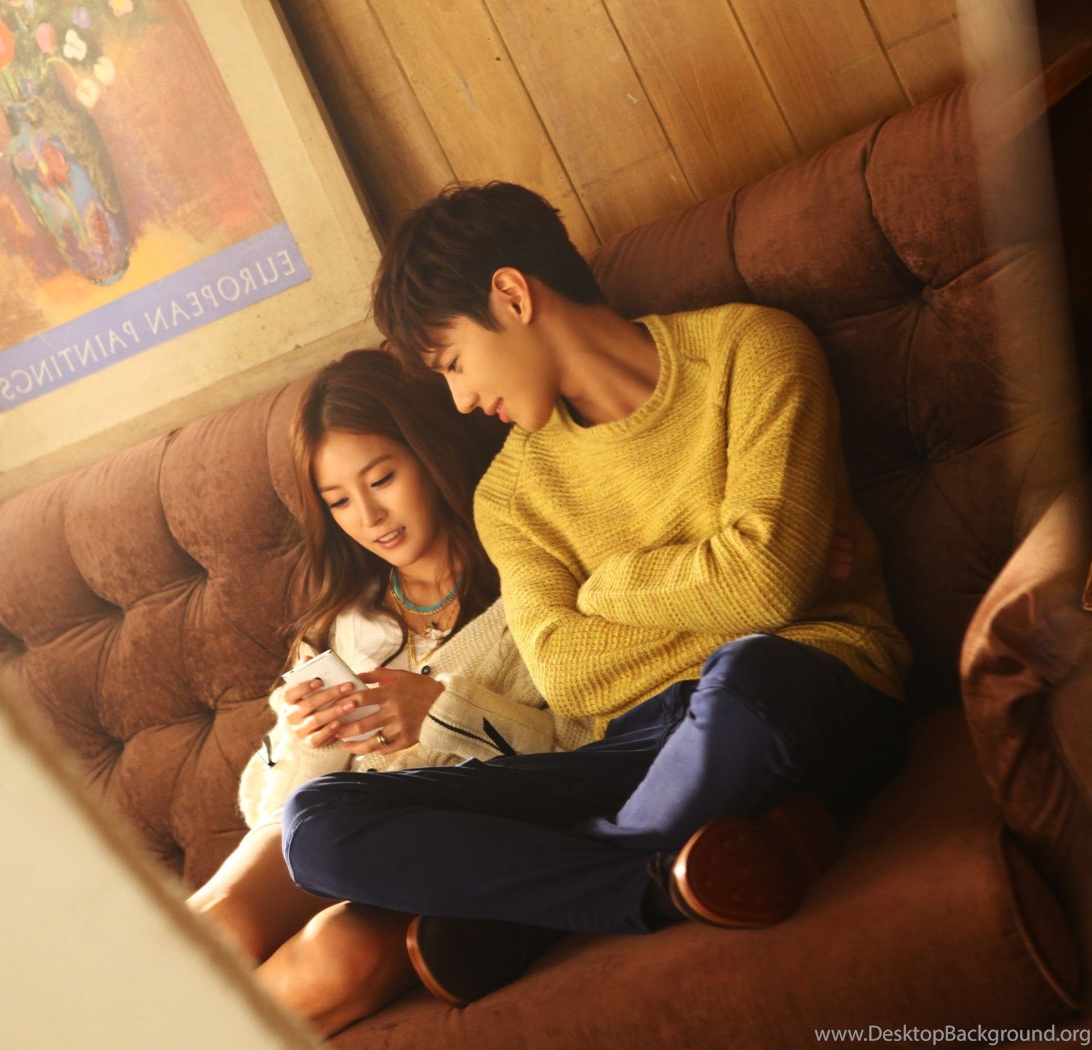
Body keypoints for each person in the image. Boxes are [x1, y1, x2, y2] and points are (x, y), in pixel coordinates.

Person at [280, 182, 913, 1006]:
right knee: (320, 822)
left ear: (512, 297)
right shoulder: (511, 494)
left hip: (802, 691)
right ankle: (655, 882)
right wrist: (737, 580)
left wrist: (606, 585)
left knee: (752, 671)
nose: (462, 399)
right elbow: (569, 675)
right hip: (626, 747)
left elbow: (765, 582)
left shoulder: (750, 350)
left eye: (455, 363)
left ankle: (541, 909)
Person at [186, 348, 593, 1035]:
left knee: (334, 963)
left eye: (382, 478)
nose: (370, 516)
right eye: (339, 501)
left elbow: (589, 754)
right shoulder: (338, 622)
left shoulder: (529, 584)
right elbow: (268, 806)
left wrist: (445, 714)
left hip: (442, 839)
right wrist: (306, 738)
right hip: (327, 830)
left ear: (429, 454)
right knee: (212, 926)